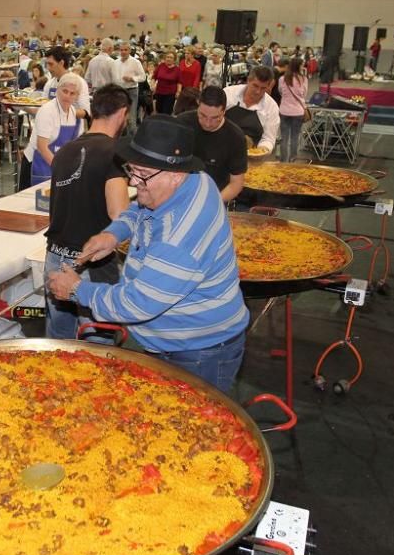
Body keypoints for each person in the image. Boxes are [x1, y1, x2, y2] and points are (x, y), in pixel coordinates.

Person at [46, 114, 249, 393]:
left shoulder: (179, 236)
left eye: (142, 175)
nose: (132, 182)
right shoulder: (193, 180)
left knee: (192, 429)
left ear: (176, 175)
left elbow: (137, 303)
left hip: (199, 351)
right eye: (132, 170)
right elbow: (141, 208)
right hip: (177, 341)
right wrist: (113, 233)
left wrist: (77, 290)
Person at [44, 85, 130, 339]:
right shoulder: (114, 153)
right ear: (122, 113)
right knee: (96, 345)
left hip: (55, 257)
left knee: (59, 345)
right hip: (93, 262)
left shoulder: (64, 152)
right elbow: (119, 216)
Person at [177, 86, 247, 203]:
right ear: (198, 105)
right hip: (179, 192)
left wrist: (213, 202)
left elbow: (236, 183)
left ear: (224, 111)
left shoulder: (235, 137)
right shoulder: (182, 123)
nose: (208, 123)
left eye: (215, 118)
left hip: (215, 195)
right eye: (203, 115)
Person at [24, 73, 83, 186]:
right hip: (38, 164)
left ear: (77, 96)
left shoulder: (72, 112)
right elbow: (42, 147)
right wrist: (61, 170)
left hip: (57, 166)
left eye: (72, 93)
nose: (68, 96)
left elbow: (73, 146)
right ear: (57, 90)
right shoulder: (47, 111)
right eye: (65, 91)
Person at [223, 66, 280, 154]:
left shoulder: (271, 107)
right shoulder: (228, 94)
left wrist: (262, 150)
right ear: (248, 80)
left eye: (263, 88)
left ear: (269, 86)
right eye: (255, 86)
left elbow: (268, 138)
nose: (258, 91)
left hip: (249, 156)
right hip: (221, 149)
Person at [42, 46, 90, 115]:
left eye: (51, 64)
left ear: (61, 63)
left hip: (71, 125)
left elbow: (85, 112)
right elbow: (43, 106)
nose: (48, 68)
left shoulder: (79, 82)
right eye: (47, 64)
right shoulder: (50, 83)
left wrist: (62, 113)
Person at [278, 57, 308, 163]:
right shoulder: (303, 79)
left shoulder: (282, 79)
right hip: (298, 111)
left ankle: (283, 161)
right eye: (302, 64)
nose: (303, 66)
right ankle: (292, 160)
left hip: (284, 110)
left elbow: (280, 91)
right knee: (295, 137)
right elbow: (304, 94)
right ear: (298, 66)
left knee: (284, 137)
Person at [117, 43, 146, 134]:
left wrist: (132, 79)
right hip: (120, 91)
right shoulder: (116, 62)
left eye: (125, 50)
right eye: (121, 50)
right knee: (120, 117)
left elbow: (143, 77)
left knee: (131, 118)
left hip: (132, 91)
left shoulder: (135, 62)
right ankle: (122, 140)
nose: (123, 52)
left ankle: (133, 140)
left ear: (129, 51)